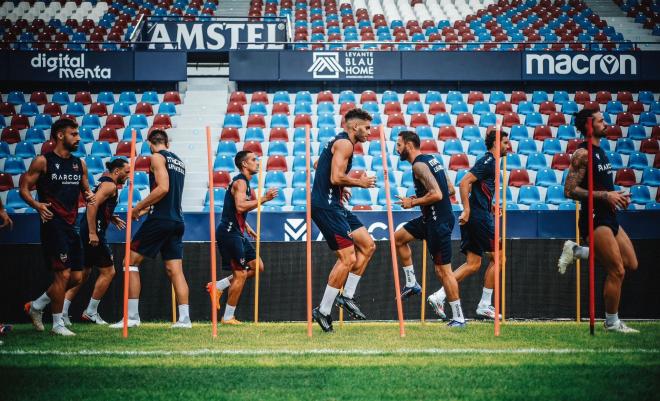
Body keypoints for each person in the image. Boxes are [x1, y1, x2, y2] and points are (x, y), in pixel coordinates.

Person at [557, 108, 638, 333]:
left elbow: (603, 186)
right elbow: (569, 190)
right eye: (601, 120)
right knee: (617, 270)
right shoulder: (582, 154)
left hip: (609, 214)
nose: (606, 123)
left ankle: (577, 252)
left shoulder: (601, 151)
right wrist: (606, 195)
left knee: (631, 263)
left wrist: (616, 196)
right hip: (594, 217)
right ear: (589, 125)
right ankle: (612, 322)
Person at [109, 129, 191, 329]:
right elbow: (167, 198)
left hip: (161, 220)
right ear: (167, 143)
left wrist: (137, 207)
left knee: (129, 262)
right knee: (175, 270)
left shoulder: (156, 157)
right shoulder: (179, 161)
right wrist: (144, 210)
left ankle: (132, 318)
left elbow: (163, 189)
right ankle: (185, 319)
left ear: (149, 143)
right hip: (176, 220)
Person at [22, 118, 95, 336]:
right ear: (60, 135)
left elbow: (86, 190)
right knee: (62, 276)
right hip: (52, 224)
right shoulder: (42, 161)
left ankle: (36, 306)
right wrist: (36, 205)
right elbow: (23, 188)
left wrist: (89, 196)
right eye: (74, 134)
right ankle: (57, 325)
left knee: (76, 278)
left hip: (72, 224)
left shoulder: (79, 163)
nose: (79, 137)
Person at [427, 129, 508, 321]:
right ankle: (484, 305)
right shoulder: (489, 161)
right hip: (478, 218)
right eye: (505, 142)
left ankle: (439, 296)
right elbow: (464, 183)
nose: (508, 146)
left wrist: (491, 205)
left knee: (473, 264)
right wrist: (467, 210)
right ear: (496, 144)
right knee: (500, 257)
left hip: (478, 215)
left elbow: (477, 188)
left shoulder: (491, 163)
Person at [311, 108, 377, 332]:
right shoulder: (345, 144)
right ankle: (323, 310)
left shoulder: (340, 143)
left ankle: (347, 296)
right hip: (326, 207)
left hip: (334, 203)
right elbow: (335, 176)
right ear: (354, 127)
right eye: (367, 127)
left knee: (368, 245)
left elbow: (318, 165)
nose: (370, 132)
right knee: (348, 258)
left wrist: (340, 189)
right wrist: (359, 182)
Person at [393, 131, 465, 327]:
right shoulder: (433, 159)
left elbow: (438, 194)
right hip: (430, 218)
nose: (396, 148)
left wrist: (413, 201)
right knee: (398, 238)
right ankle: (411, 283)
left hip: (437, 221)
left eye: (399, 144)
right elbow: (450, 189)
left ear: (408, 145)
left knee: (443, 271)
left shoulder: (418, 165)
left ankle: (458, 317)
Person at [206, 150, 278, 325]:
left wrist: (247, 227)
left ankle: (218, 286)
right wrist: (264, 198)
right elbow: (239, 206)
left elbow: (235, 209)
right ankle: (228, 317)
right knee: (240, 274)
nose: (257, 162)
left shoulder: (246, 184)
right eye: (254, 160)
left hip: (238, 231)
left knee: (257, 267)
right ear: (244, 164)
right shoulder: (240, 182)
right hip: (229, 232)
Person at [61, 158, 130, 326]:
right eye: (126, 171)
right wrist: (93, 232)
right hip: (93, 232)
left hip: (87, 229)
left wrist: (110, 216)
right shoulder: (110, 185)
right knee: (109, 272)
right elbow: (92, 205)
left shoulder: (103, 182)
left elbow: (98, 205)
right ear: (116, 172)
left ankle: (62, 312)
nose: (128, 175)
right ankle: (90, 312)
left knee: (83, 275)